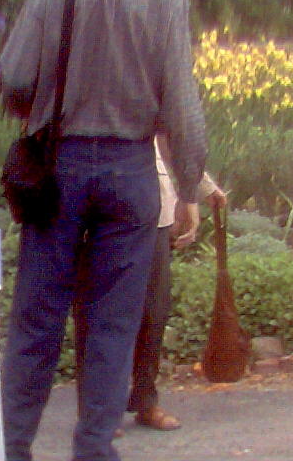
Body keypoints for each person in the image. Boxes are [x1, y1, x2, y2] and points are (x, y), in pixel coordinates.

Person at [0, 0, 208, 461]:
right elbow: (182, 107)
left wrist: (41, 111)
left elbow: (14, 77)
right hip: (130, 172)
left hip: (58, 168)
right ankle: (94, 451)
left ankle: (11, 448)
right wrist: (188, 184)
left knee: (37, 320)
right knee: (114, 325)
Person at [75, 142, 226, 435]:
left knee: (153, 312)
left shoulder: (148, 94)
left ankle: (146, 400)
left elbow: (172, 137)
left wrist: (198, 189)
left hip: (152, 212)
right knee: (98, 315)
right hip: (96, 215)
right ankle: (97, 408)